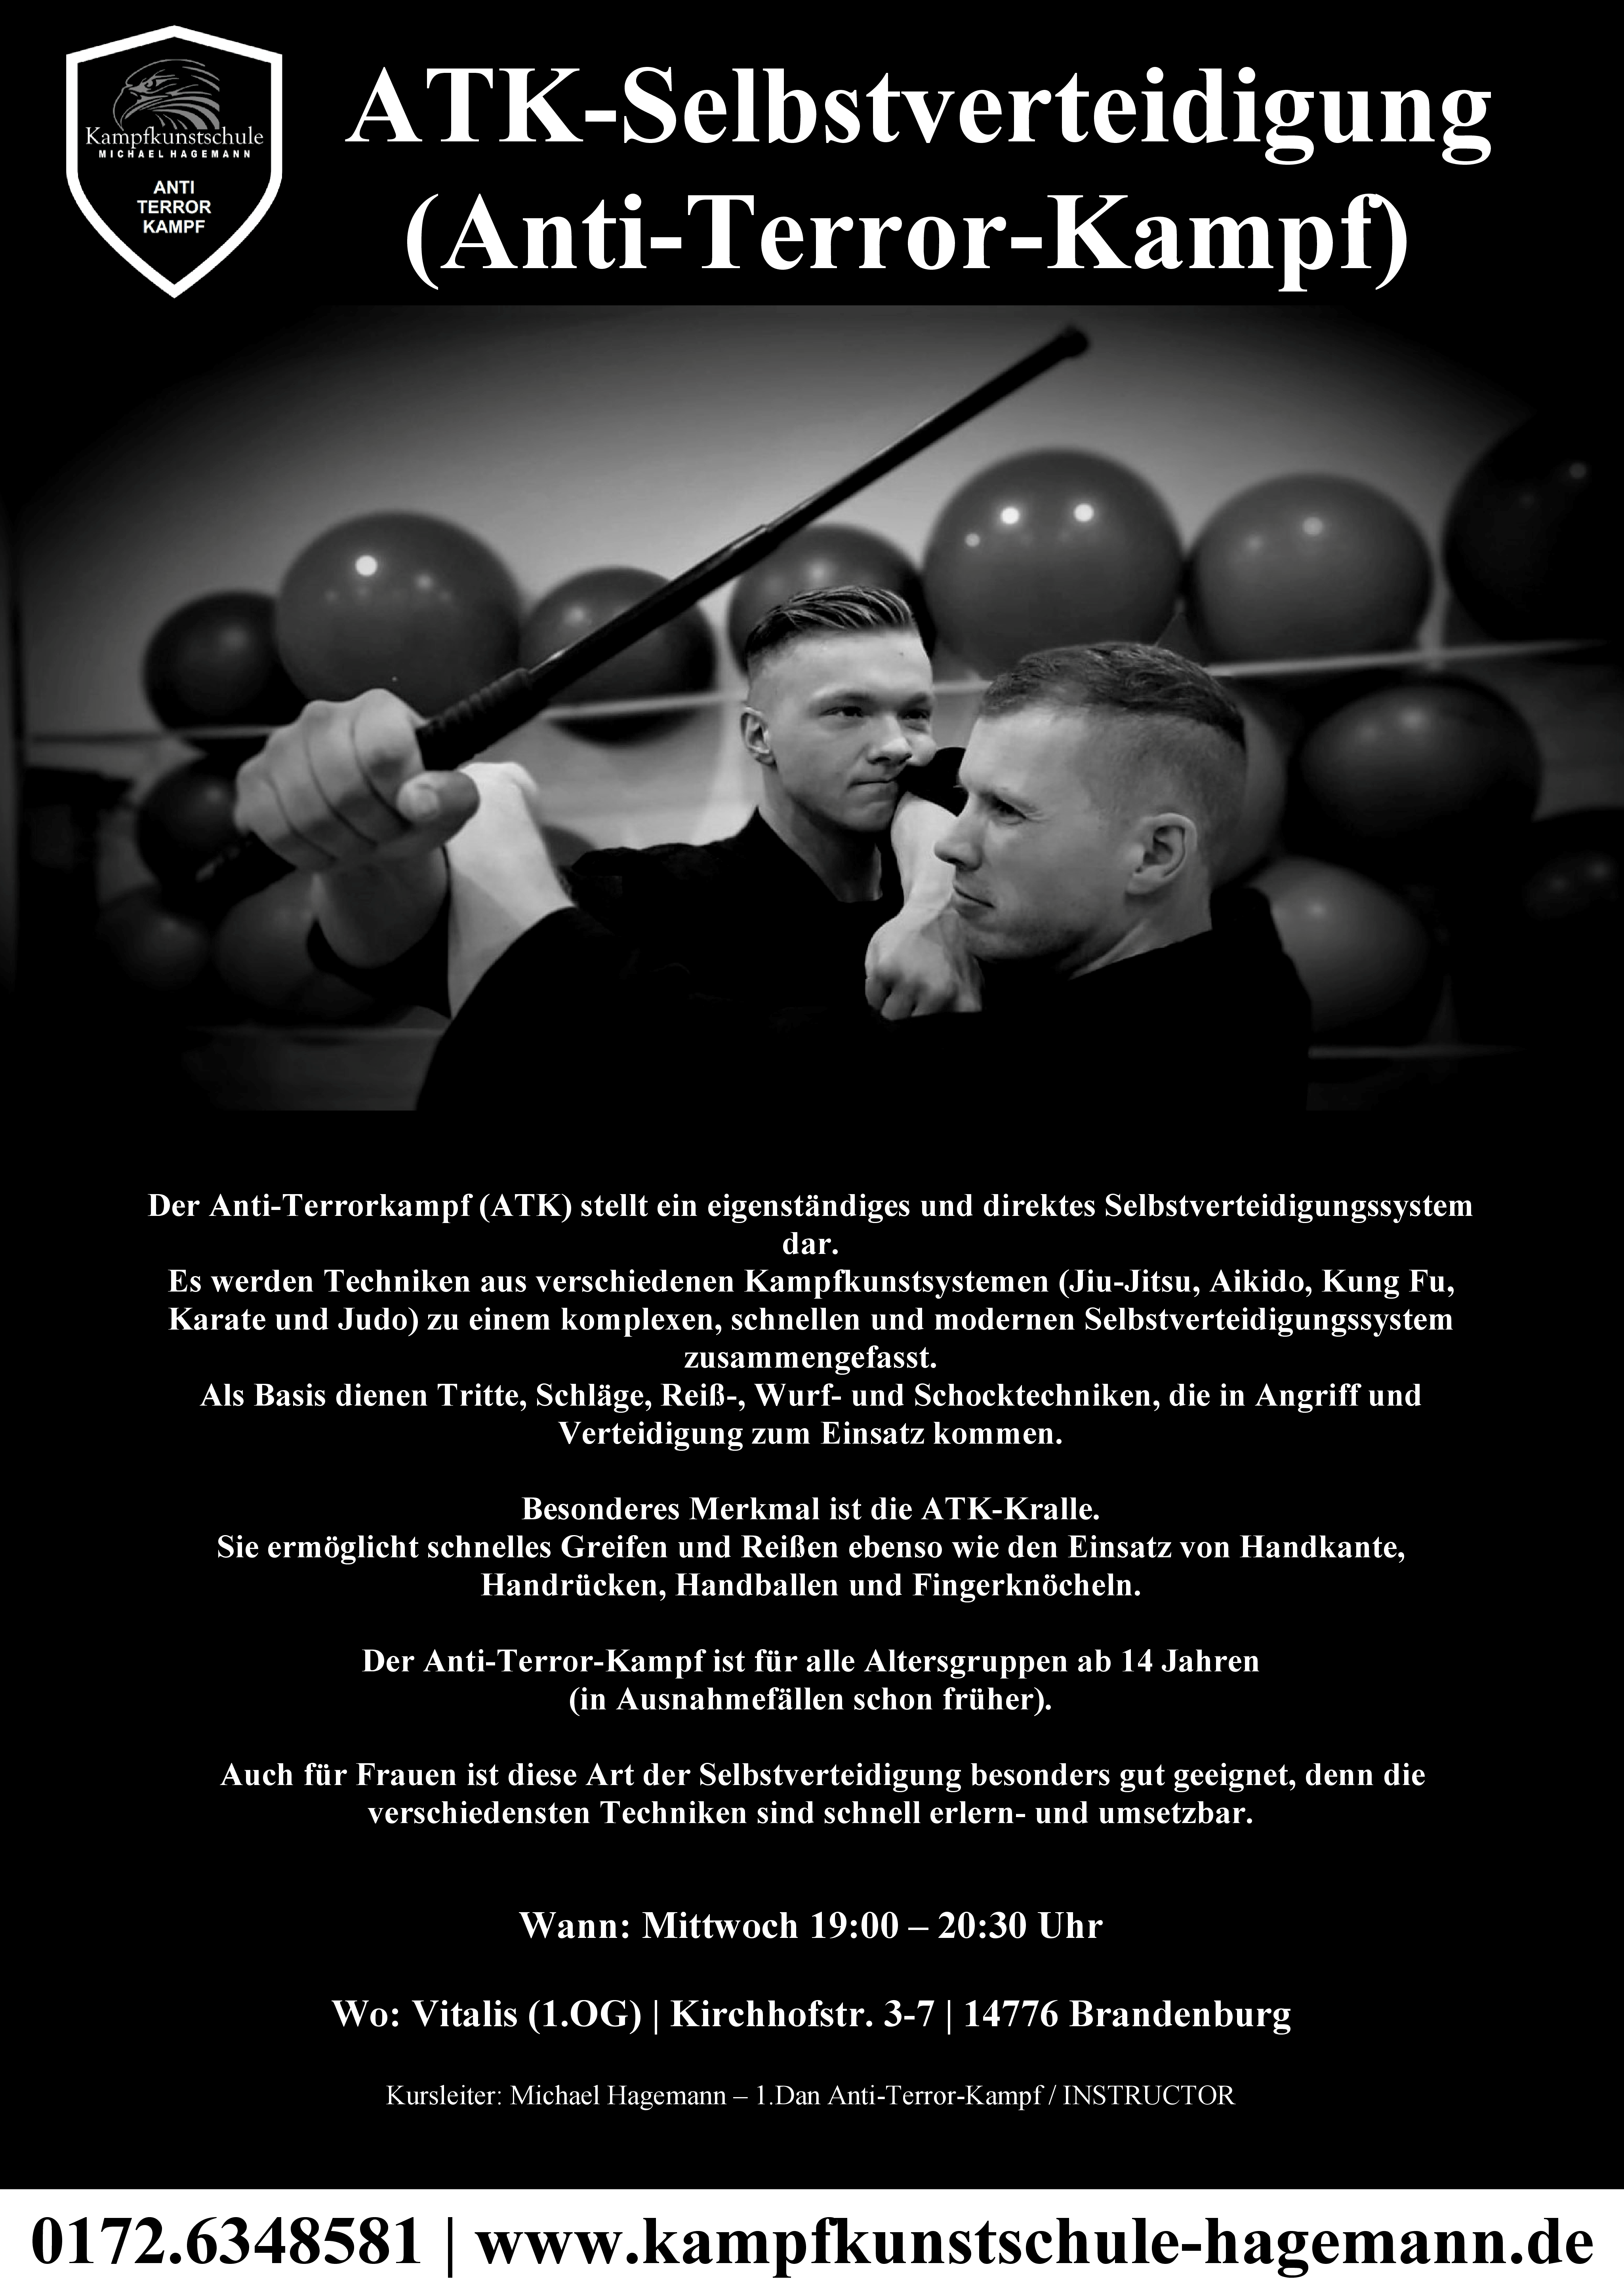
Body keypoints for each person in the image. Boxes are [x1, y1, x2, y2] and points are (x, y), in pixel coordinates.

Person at [413, 640, 1309, 1124]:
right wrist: (930, 903)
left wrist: (489, 811)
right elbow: (931, 774)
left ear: (1155, 853)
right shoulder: (1232, 940)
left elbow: (681, 1053)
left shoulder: (1126, 1065)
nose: (956, 842)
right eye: (967, 802)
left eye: (1006, 811)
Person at [231, 585, 973, 1024]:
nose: (898, 745)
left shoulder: (972, 868)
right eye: (848, 712)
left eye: (915, 713)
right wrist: (368, 851)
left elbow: (953, 773)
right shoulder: (654, 896)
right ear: (759, 736)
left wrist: (931, 897)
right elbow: (421, 944)